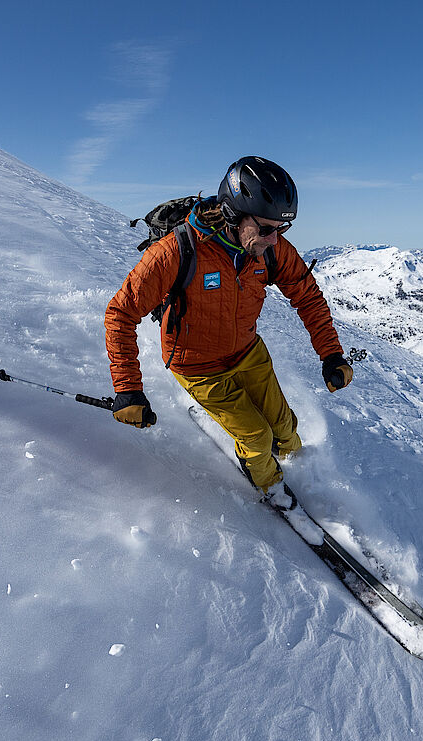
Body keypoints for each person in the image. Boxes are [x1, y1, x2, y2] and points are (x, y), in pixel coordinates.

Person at [103, 156, 353, 509]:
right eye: (266, 229)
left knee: (285, 429)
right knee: (257, 435)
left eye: (281, 229)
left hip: (247, 352)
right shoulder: (176, 251)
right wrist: (128, 390)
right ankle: (271, 488)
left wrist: (331, 354)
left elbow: (307, 295)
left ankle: (298, 470)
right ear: (235, 215)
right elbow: (120, 313)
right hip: (198, 366)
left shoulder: (271, 250)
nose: (275, 239)